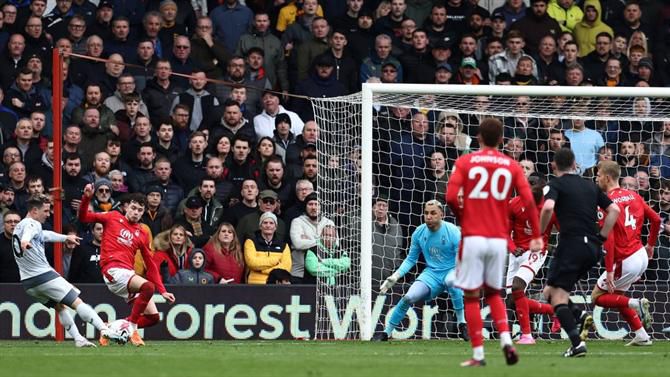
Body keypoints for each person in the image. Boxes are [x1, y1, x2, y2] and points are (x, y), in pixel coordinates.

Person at [446, 118, 543, 367]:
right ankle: (506, 341)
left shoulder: (465, 161)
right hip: (499, 239)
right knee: (493, 294)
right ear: (502, 140)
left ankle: (478, 354)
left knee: (470, 296)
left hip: (473, 237)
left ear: (478, 137)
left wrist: (461, 216)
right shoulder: (511, 165)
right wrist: (536, 236)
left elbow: (449, 197)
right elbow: (529, 201)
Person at [539, 148, 620, 357]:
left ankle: (577, 344)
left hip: (571, 245)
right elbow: (615, 210)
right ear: (575, 164)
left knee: (557, 297)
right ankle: (581, 315)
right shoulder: (590, 186)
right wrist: (601, 237)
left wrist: (539, 234)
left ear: (554, 165)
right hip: (591, 249)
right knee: (549, 292)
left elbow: (547, 207)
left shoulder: (554, 184)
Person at [13, 194, 120, 347]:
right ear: (35, 210)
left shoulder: (20, 225)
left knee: (60, 307)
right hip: (43, 276)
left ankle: (78, 339)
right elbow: (30, 233)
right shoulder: (31, 223)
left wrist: (65, 238)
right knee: (77, 302)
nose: (48, 214)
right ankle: (104, 329)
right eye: (46, 210)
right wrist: (25, 241)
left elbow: (44, 235)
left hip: (28, 283)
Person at [78, 185, 176, 347]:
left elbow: (150, 264)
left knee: (153, 318)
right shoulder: (112, 217)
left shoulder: (142, 233)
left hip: (127, 274)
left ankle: (109, 327)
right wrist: (86, 198)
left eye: (140, 210)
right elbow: (84, 217)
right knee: (148, 288)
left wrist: (163, 290)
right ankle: (132, 329)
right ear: (126, 207)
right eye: (133, 208)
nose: (136, 212)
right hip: (112, 270)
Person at [374, 200, 467, 341]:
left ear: (441, 214)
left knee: (451, 281)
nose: (429, 216)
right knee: (408, 297)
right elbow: (411, 259)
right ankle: (386, 333)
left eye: (433, 213)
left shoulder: (453, 231)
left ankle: (462, 324)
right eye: (426, 213)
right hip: (431, 274)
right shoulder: (419, 232)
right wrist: (396, 276)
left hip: (451, 270)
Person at [592, 161, 660, 346]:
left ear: (607, 177)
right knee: (618, 297)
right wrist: (651, 245)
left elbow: (610, 239)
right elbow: (656, 219)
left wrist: (610, 270)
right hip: (641, 255)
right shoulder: (634, 195)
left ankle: (636, 303)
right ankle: (642, 335)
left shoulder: (606, 203)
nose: (596, 178)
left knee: (597, 297)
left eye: (598, 175)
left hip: (625, 259)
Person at [507, 175, 558, 345]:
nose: (528, 187)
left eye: (533, 184)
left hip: (536, 251)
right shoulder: (514, 204)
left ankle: (527, 336)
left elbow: (563, 230)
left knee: (517, 287)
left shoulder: (549, 207)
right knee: (512, 301)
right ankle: (554, 311)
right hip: (516, 253)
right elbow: (504, 232)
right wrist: (513, 248)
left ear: (543, 188)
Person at [244, 211, 291, 284]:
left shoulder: (283, 245)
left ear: (275, 227)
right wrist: (275, 261)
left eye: (271, 223)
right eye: (265, 223)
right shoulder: (250, 242)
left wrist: (263, 270)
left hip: (276, 285)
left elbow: (286, 267)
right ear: (260, 226)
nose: (268, 225)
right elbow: (252, 263)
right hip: (255, 284)